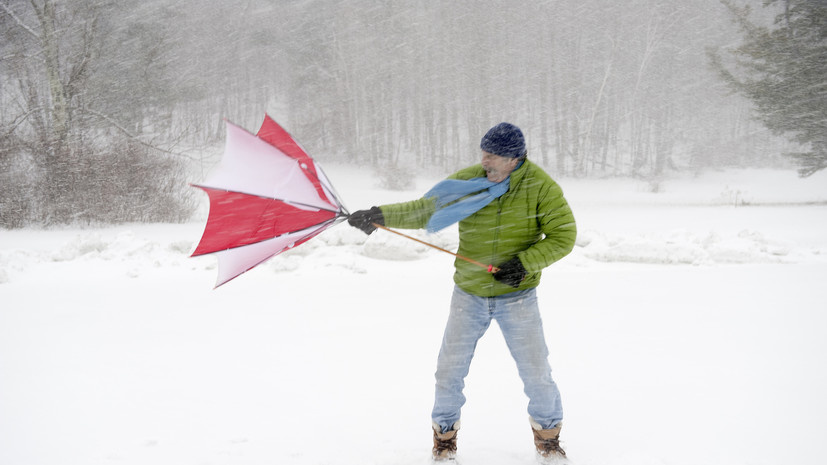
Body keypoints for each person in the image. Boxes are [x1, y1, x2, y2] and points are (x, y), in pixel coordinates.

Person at [348, 122, 576, 461]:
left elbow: (564, 236)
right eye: (483, 154)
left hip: (518, 298)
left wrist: (524, 263)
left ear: (514, 158)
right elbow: (426, 209)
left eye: (493, 157)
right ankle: (444, 438)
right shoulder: (470, 180)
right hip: (468, 294)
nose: (486, 163)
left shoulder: (540, 187)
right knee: (449, 370)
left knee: (536, 371)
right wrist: (380, 215)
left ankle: (548, 439)